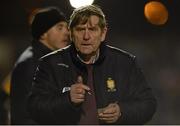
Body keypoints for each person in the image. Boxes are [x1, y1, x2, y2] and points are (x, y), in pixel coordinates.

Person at [27, 5, 157, 124]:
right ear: (71, 33)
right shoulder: (50, 64)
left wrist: (121, 111)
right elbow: (34, 108)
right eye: (80, 29)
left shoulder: (125, 63)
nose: (86, 36)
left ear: (103, 33)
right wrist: (67, 99)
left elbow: (148, 104)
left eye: (93, 29)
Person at [10, 6, 69, 124]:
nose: (67, 32)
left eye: (67, 28)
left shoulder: (48, 60)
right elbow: (26, 115)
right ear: (43, 34)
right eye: (60, 28)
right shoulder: (31, 64)